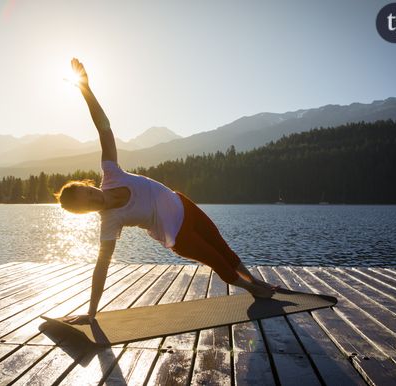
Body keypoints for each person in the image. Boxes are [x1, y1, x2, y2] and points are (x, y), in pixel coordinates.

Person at [58, 58, 278, 324]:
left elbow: (104, 127)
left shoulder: (111, 174)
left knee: (223, 248)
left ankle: (254, 280)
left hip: (184, 205)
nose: (96, 199)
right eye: (89, 204)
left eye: (89, 193)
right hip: (177, 235)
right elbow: (101, 267)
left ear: (89, 185)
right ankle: (253, 290)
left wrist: (86, 89)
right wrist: (91, 312)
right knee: (217, 261)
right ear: (85, 212)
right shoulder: (110, 222)